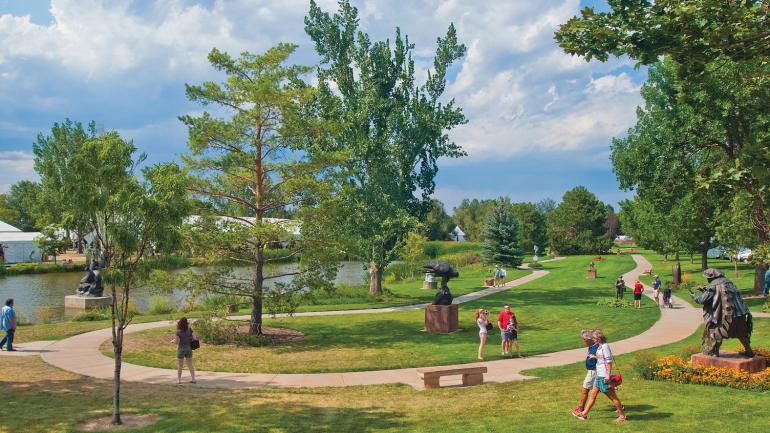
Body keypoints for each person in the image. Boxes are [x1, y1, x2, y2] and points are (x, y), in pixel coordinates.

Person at [574, 329, 626, 423]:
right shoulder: (600, 347)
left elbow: (609, 362)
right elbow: (602, 358)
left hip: (603, 376)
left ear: (598, 338)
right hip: (599, 375)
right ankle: (584, 414)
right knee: (593, 395)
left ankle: (622, 416)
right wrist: (595, 357)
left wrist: (607, 376)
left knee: (613, 396)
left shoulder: (605, 346)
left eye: (594, 338)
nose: (593, 339)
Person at [572, 329, 599, 417]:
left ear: (589, 339)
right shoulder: (592, 346)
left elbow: (602, 358)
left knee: (585, 389)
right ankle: (619, 406)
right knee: (606, 390)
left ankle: (581, 408)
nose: (583, 341)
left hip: (594, 372)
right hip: (593, 371)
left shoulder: (596, 347)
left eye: (584, 339)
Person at [171, 317, 197, 384]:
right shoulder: (190, 330)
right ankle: (193, 379)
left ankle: (179, 380)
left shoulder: (178, 332)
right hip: (188, 348)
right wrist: (189, 339)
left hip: (181, 349)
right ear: (186, 323)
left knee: (180, 366)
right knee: (190, 365)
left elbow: (177, 342)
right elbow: (195, 338)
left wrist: (173, 341)